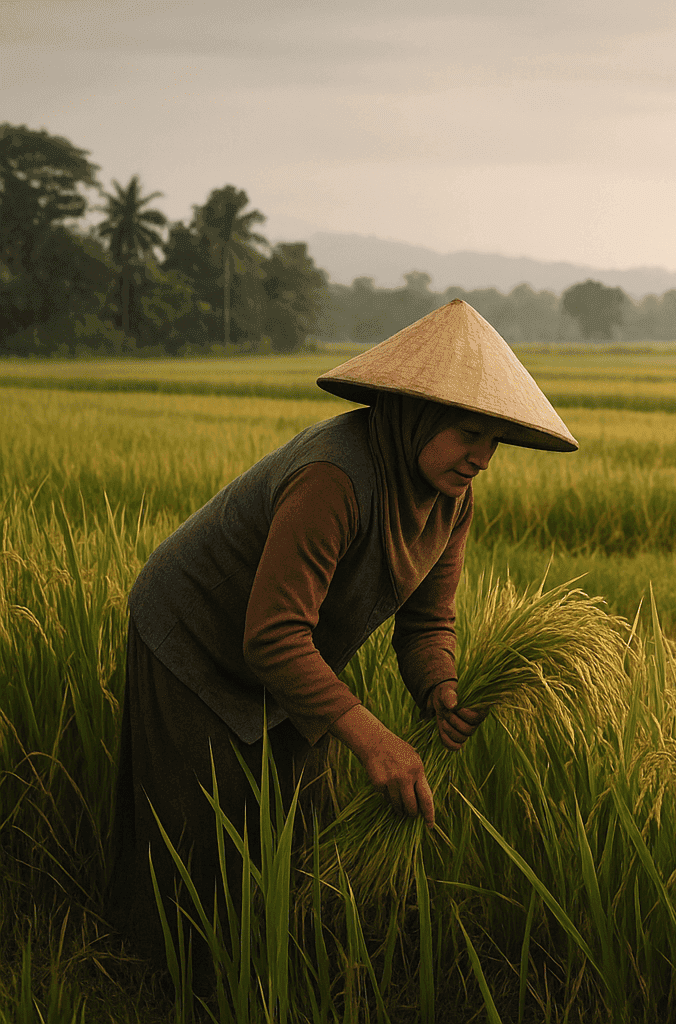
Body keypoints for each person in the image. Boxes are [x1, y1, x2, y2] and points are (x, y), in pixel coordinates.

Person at [105, 298, 578, 980]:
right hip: (194, 635)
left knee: (298, 825)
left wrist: (438, 685)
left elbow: (427, 621)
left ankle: (268, 973)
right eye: (469, 433)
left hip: (293, 655)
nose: (481, 458)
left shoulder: (449, 497)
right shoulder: (334, 477)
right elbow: (271, 636)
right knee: (196, 834)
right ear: (417, 415)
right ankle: (157, 984)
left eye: (494, 442)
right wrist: (371, 735)